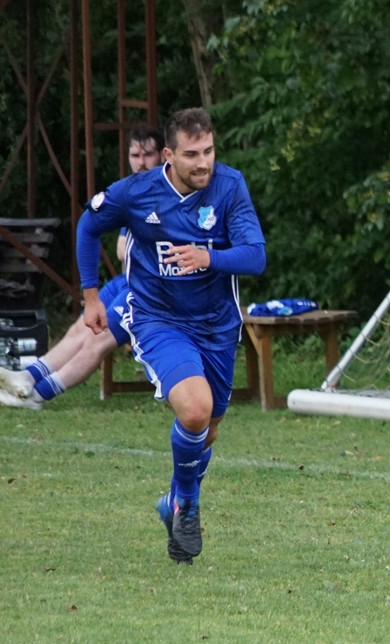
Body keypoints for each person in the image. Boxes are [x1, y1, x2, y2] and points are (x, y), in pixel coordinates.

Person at [76, 107, 266, 565]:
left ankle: (174, 503)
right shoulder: (137, 192)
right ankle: (189, 504)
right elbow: (89, 225)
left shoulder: (229, 186)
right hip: (158, 319)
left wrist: (208, 257)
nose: (204, 163)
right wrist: (91, 296)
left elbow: (255, 256)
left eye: (209, 151)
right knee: (195, 410)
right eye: (192, 155)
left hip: (217, 325)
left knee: (209, 427)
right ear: (168, 155)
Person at [0, 125, 165, 409]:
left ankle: (37, 396)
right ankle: (27, 378)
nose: (141, 162)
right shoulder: (130, 192)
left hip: (151, 288)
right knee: (82, 328)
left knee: (98, 341)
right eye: (135, 155)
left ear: (163, 155)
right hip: (127, 280)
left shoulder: (166, 192)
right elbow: (121, 250)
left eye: (148, 155)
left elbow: (126, 251)